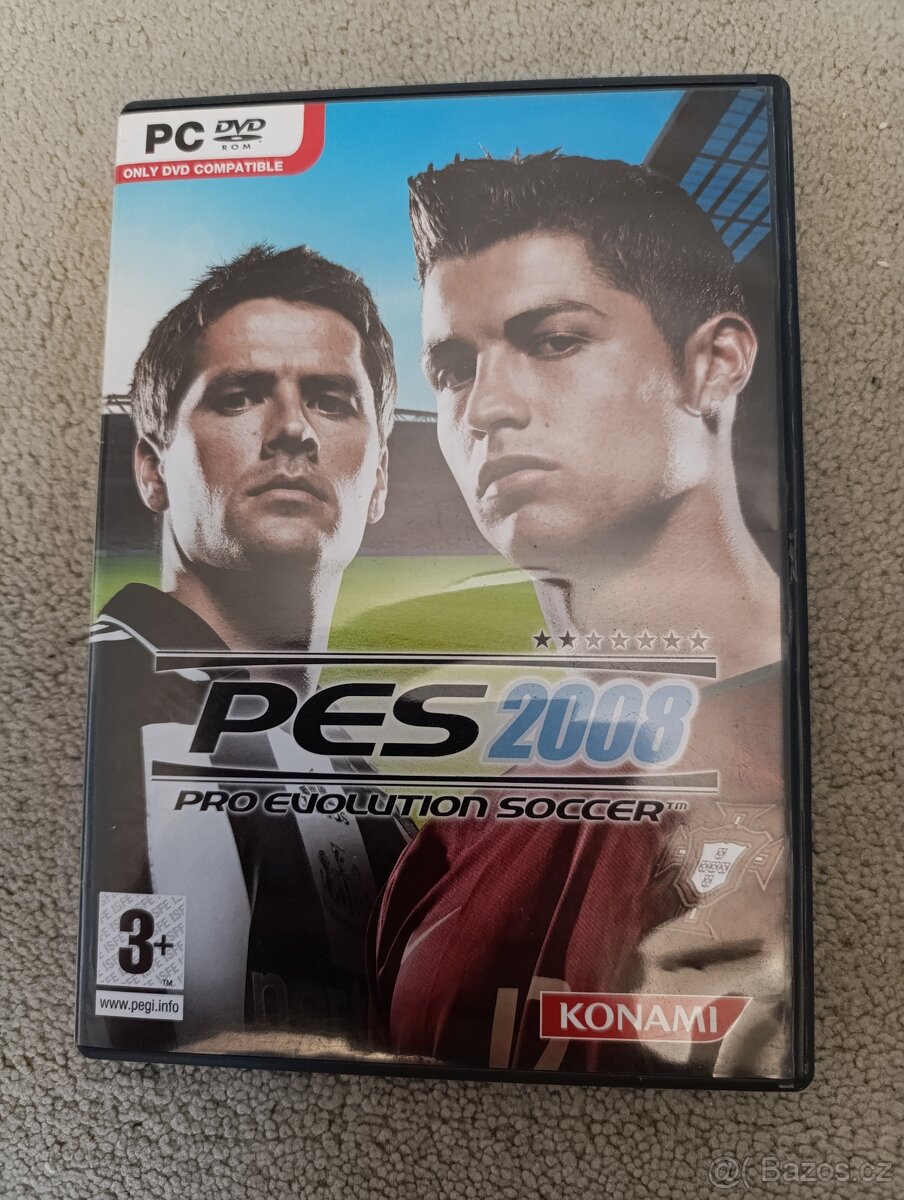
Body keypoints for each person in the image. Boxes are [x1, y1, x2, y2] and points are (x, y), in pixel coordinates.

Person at [369, 154, 789, 1078]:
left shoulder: (825, 775)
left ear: (714, 365)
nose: (484, 408)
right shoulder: (458, 834)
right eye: (452, 368)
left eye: (555, 341)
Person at [83, 244, 410, 1055]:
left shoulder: (365, 781)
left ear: (378, 482)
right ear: (152, 469)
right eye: (239, 396)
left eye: (332, 400)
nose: (293, 429)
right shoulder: (92, 705)